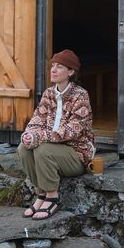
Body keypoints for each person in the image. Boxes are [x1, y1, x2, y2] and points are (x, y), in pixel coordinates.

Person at [18, 49, 95, 220]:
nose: (53, 70)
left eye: (59, 67)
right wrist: (29, 134)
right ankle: (41, 194)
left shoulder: (80, 95)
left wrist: (40, 137)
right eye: (52, 66)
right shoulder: (48, 94)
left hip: (76, 155)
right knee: (23, 148)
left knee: (42, 149)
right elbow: (36, 120)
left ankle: (53, 197)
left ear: (71, 72)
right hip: (53, 152)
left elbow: (73, 131)